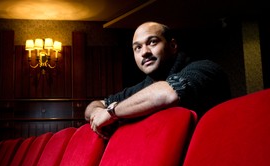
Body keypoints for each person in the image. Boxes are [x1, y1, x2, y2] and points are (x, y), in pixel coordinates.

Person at [85, 21, 231, 139]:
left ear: (172, 46)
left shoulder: (204, 68)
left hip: (217, 160)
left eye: (153, 42)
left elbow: (167, 94)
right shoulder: (143, 87)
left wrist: (112, 112)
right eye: (137, 48)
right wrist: (97, 113)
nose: (145, 52)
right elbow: (93, 106)